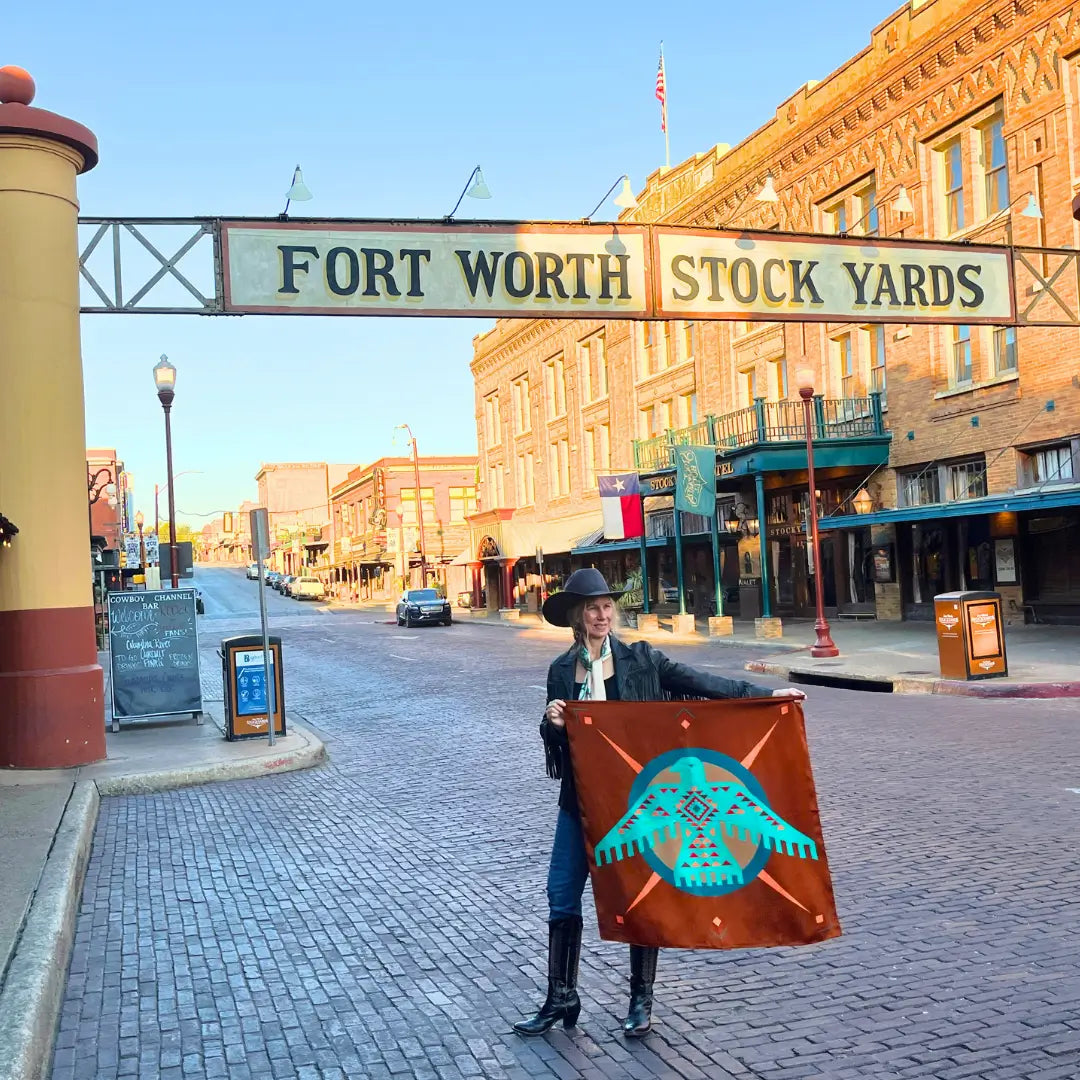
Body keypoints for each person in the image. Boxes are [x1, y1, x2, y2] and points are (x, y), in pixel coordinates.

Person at [513, 567, 805, 1039]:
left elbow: (703, 682)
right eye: (591, 607)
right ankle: (561, 996)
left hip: (636, 805)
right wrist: (552, 721)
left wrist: (767, 697)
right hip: (580, 802)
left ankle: (640, 999)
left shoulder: (641, 661)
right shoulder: (562, 671)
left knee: (636, 897)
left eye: (607, 606)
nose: (602, 614)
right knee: (561, 893)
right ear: (575, 615)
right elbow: (555, 741)